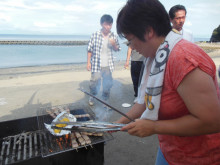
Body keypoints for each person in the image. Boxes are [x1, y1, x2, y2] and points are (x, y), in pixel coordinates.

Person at [116, 0, 220, 164]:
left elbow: (213, 121)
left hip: (198, 156)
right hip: (169, 150)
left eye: (130, 40)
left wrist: (154, 127)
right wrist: (115, 125)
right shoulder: (157, 56)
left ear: (149, 31)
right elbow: (145, 102)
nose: (131, 47)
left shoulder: (183, 59)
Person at [87, 14, 120, 106]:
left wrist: (114, 44)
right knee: (94, 83)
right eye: (106, 24)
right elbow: (90, 49)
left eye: (110, 25)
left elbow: (117, 49)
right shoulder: (95, 35)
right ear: (101, 24)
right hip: (96, 65)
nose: (108, 27)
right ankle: (92, 96)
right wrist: (88, 62)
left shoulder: (113, 35)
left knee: (107, 84)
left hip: (108, 65)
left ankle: (105, 100)